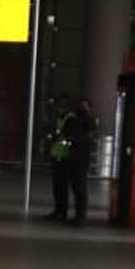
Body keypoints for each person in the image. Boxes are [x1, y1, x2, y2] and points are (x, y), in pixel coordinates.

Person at [67, 98, 96, 226]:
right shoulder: (74, 119)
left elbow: (89, 135)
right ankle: (78, 215)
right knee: (75, 185)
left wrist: (75, 139)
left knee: (80, 186)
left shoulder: (89, 120)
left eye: (84, 105)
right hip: (74, 156)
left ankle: (81, 215)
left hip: (82, 157)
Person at [46, 94, 74, 220]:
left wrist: (59, 138)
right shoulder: (59, 118)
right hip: (56, 155)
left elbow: (65, 136)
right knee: (56, 186)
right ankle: (58, 210)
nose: (59, 107)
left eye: (62, 104)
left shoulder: (70, 118)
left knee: (62, 186)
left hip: (64, 157)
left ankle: (62, 212)